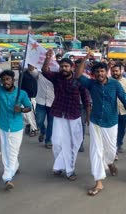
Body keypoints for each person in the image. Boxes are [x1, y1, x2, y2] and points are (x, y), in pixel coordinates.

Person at [76, 54, 126, 196]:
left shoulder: (115, 84)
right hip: (96, 121)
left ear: (106, 72)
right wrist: (85, 59)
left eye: (102, 71)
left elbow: (125, 99)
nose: (99, 74)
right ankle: (98, 182)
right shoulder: (91, 84)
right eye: (96, 72)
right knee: (95, 151)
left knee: (110, 151)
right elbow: (78, 75)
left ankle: (110, 163)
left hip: (111, 122)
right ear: (93, 74)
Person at [41, 50, 91, 181]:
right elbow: (45, 71)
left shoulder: (78, 80)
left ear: (72, 68)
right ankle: (60, 165)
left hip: (74, 114)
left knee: (73, 143)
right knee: (57, 142)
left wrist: (88, 115)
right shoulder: (56, 77)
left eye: (66, 66)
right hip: (58, 113)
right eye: (62, 66)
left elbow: (86, 99)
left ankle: (70, 170)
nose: (63, 68)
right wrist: (47, 58)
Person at [0, 69, 32, 190]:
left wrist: (21, 110)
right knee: (6, 149)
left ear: (13, 80)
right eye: (3, 80)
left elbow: (29, 107)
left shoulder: (21, 93)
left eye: (7, 79)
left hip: (16, 127)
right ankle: (14, 167)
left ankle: (7, 178)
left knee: (12, 151)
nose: (5, 82)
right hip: (3, 125)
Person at [27, 64, 55, 149]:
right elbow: (31, 69)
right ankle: (43, 131)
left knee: (51, 123)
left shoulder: (56, 76)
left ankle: (48, 140)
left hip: (53, 102)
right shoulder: (39, 74)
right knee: (38, 121)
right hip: (40, 102)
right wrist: (31, 56)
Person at [111, 64, 126, 156]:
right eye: (113, 71)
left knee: (121, 129)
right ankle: (114, 146)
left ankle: (119, 143)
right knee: (113, 130)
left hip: (124, 110)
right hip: (112, 111)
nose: (115, 73)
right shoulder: (108, 81)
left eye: (116, 71)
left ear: (121, 71)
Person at [19, 67, 38, 137]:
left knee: (30, 114)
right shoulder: (23, 74)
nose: (31, 66)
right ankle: (29, 124)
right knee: (24, 114)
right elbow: (20, 86)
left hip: (33, 97)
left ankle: (34, 129)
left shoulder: (36, 74)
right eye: (30, 65)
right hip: (25, 97)